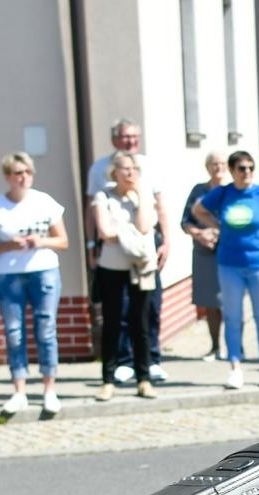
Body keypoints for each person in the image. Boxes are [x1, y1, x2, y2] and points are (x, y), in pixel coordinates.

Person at [195, 150, 259, 391]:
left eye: (251, 168)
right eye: (242, 168)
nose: (247, 172)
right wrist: (217, 225)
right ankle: (235, 368)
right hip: (229, 263)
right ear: (232, 171)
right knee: (232, 317)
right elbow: (198, 210)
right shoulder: (223, 194)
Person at [0, 151, 69, 415]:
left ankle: (49, 389)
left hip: (43, 270)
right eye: (18, 173)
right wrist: (9, 244)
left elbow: (63, 241)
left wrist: (40, 241)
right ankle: (19, 390)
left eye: (28, 172)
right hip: (8, 274)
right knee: (14, 331)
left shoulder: (45, 202)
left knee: (46, 327)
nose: (24, 177)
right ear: (8, 176)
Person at [86, 119, 170, 383]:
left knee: (150, 307)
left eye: (134, 137)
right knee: (118, 311)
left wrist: (166, 240)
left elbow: (160, 207)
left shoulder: (148, 166)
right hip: (114, 253)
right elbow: (95, 215)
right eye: (125, 137)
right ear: (114, 140)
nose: (130, 141)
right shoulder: (100, 168)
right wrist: (92, 243)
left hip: (146, 248)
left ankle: (151, 360)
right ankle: (123, 362)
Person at [91, 152, 158, 401]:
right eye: (125, 169)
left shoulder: (143, 196)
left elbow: (143, 226)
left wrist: (140, 196)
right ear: (114, 172)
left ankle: (144, 379)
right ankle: (107, 380)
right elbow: (105, 232)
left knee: (140, 323)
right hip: (112, 268)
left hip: (139, 269)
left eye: (133, 169)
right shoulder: (104, 196)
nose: (130, 173)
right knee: (111, 323)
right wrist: (124, 232)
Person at [180, 152, 231, 359]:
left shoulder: (231, 190)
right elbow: (185, 221)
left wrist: (220, 232)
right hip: (204, 252)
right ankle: (215, 347)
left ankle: (233, 348)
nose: (217, 167)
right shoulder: (199, 191)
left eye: (220, 163)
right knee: (210, 302)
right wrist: (200, 233)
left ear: (227, 166)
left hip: (228, 251)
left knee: (230, 301)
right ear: (207, 167)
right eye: (213, 164)